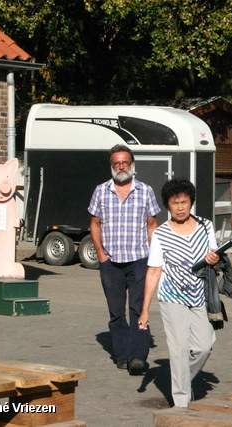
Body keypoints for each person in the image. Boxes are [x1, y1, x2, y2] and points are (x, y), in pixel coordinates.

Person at [138, 178, 219, 408]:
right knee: (179, 349)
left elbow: (213, 254)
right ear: (168, 205)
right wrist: (145, 310)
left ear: (191, 202)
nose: (181, 207)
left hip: (201, 294)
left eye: (184, 201)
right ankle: (181, 402)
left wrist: (214, 258)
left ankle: (182, 378)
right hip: (172, 297)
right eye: (175, 203)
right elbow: (154, 271)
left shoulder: (205, 226)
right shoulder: (161, 234)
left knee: (204, 346)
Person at [88, 144, 161, 375]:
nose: (121, 167)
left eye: (125, 163)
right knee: (116, 312)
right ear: (112, 166)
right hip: (111, 263)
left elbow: (152, 225)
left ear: (132, 165)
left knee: (139, 309)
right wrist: (101, 255)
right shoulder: (101, 191)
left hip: (140, 260)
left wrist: (155, 256)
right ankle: (122, 355)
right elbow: (94, 224)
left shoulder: (145, 190)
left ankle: (138, 356)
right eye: (116, 163)